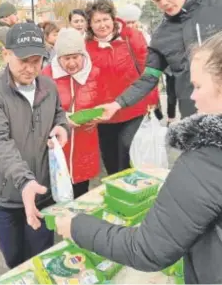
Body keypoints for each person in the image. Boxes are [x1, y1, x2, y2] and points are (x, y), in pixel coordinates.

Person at [56, 30, 222, 285]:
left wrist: (76, 227)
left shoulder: (207, 159)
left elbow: (148, 248)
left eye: (198, 86)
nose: (191, 96)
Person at [0, 23, 69, 269]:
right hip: (7, 195)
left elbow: (59, 114)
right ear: (7, 54)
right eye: (23, 61)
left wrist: (62, 127)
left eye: (36, 61)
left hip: (42, 192)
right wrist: (24, 181)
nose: (30, 69)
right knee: (15, 260)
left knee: (42, 257)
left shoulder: (48, 86)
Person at [98, 0, 222, 122]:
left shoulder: (217, 5)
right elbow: (149, 78)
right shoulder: (161, 36)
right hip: (195, 119)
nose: (163, 3)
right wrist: (117, 104)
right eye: (157, 0)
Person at [85, 0, 158, 175]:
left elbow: (147, 72)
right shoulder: (86, 47)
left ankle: (135, 193)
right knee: (110, 161)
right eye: (97, 21)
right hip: (104, 115)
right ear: (90, 24)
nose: (102, 25)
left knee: (127, 154)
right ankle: (117, 194)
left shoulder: (132, 37)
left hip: (134, 109)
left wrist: (152, 100)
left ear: (113, 19)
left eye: (105, 19)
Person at [42, 28, 106, 198]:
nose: (71, 63)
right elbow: (38, 110)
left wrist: (99, 118)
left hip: (85, 142)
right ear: (58, 57)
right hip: (59, 146)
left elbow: (105, 101)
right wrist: (62, 120)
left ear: (83, 55)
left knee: (80, 194)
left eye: (75, 57)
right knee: (58, 193)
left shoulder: (95, 73)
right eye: (66, 58)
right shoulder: (46, 75)